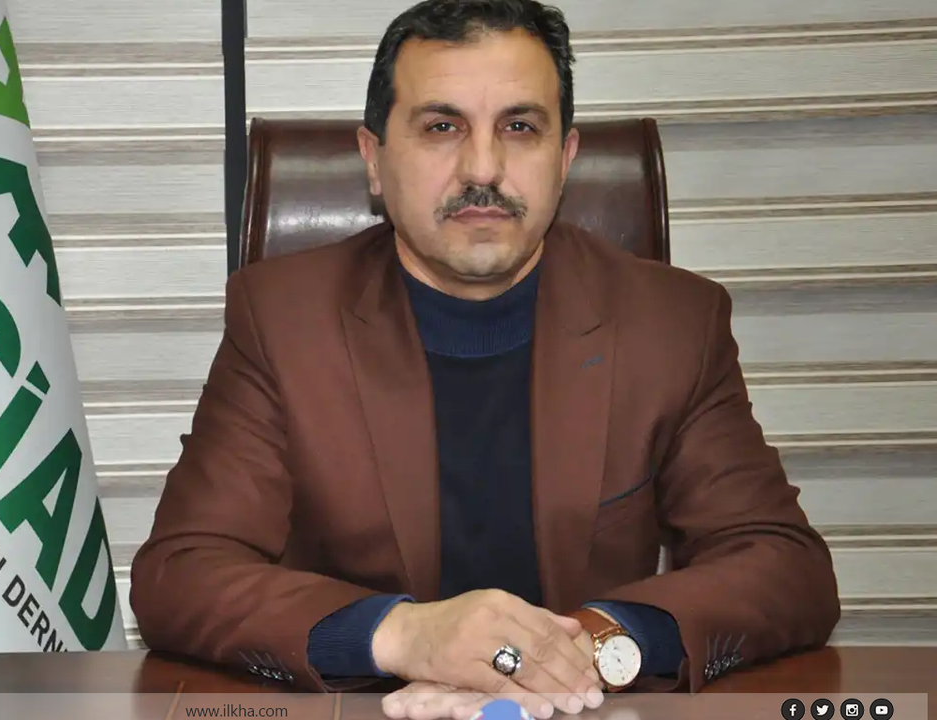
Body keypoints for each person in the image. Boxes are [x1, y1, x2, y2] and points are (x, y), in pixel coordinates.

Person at [129, 1, 841, 718]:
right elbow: (182, 573)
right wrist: (404, 636)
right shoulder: (282, 320)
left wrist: (587, 645)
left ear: (565, 158)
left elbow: (785, 566)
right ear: (374, 158)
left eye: (519, 127)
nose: (483, 168)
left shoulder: (672, 324)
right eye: (442, 127)